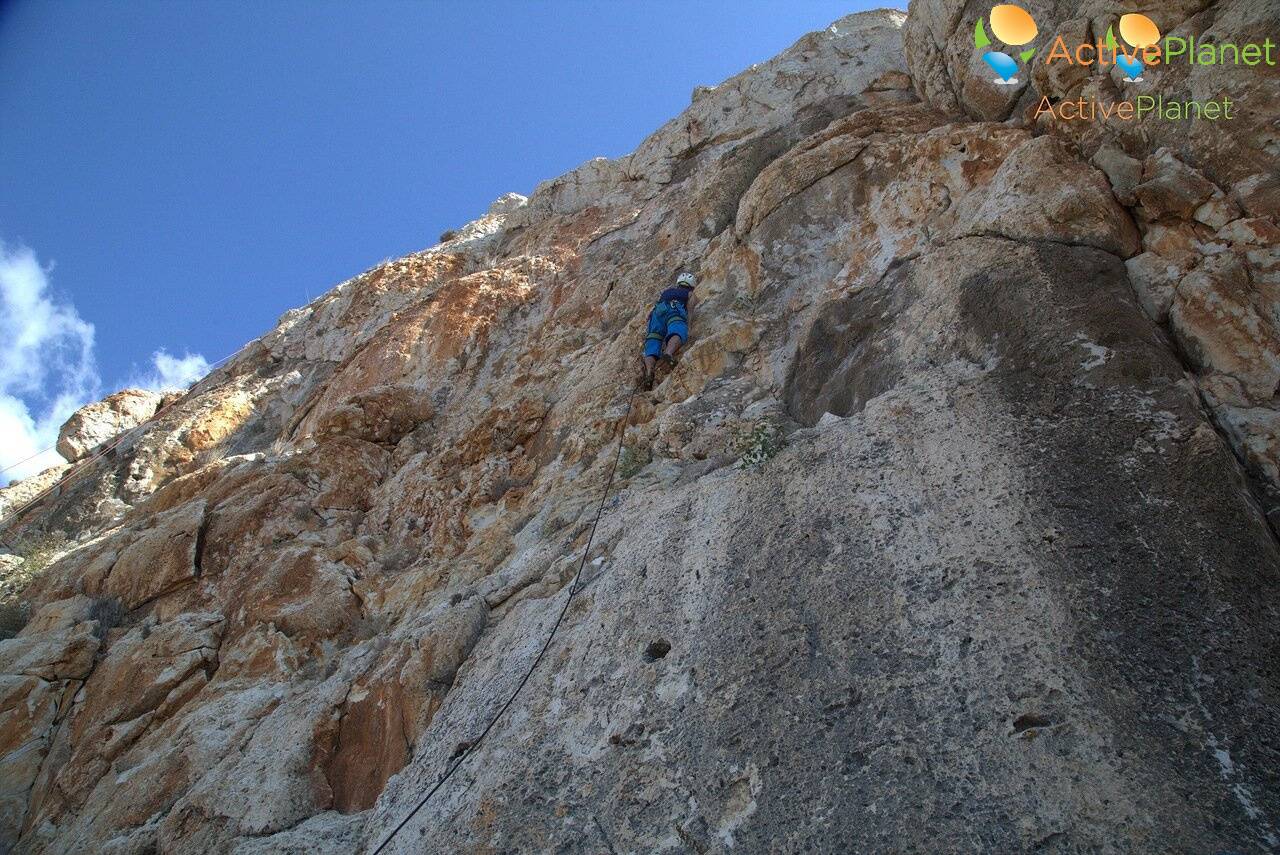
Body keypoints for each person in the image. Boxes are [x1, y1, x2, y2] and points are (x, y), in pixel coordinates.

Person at [639, 271, 696, 391]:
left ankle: (649, 372)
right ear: (692, 285)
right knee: (678, 329)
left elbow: (654, 308)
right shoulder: (689, 293)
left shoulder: (667, 292)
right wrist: (688, 325)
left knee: (653, 339)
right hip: (674, 309)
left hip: (657, 313)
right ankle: (668, 353)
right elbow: (690, 310)